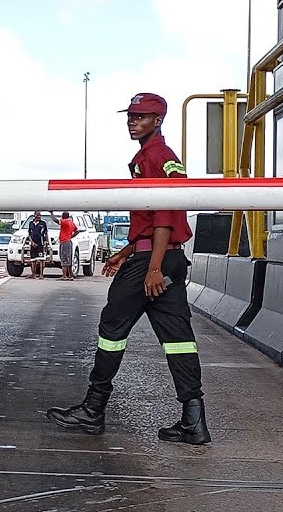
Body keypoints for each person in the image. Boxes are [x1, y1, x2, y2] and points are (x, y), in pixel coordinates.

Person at [46, 92, 209, 445]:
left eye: (141, 116)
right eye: (130, 116)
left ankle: (93, 409)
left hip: (153, 261)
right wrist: (125, 251)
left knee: (111, 328)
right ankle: (194, 420)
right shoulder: (166, 158)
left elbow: (164, 216)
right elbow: (153, 220)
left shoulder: (153, 156)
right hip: (171, 259)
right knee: (179, 340)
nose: (132, 121)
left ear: (158, 120)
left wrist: (150, 268)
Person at [27, 211, 49, 279]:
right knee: (33, 259)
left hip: (41, 243)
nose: (39, 216)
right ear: (34, 215)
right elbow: (29, 234)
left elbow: (46, 233)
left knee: (42, 259)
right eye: (38, 215)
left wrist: (46, 242)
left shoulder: (43, 223)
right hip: (33, 243)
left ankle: (41, 274)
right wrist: (32, 242)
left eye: (40, 215)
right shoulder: (31, 223)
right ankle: (33, 274)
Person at [58, 211, 78, 281]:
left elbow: (56, 221)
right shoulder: (71, 222)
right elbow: (77, 230)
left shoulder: (65, 222)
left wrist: (51, 213)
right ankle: (70, 275)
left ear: (63, 216)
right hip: (68, 241)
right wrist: (71, 236)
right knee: (69, 258)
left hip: (64, 241)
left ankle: (64, 275)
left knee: (63, 258)